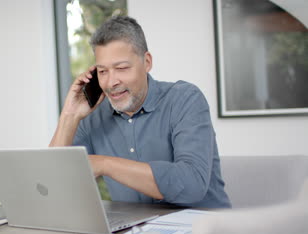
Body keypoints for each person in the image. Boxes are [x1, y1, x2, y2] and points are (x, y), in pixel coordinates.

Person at [50, 16, 231, 208]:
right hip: (136, 233)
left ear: (147, 62)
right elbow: (51, 184)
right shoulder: (93, 115)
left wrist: (104, 164)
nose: (111, 82)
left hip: (205, 229)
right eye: (103, 71)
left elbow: (191, 184)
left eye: (121, 68)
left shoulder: (185, 99)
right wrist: (70, 115)